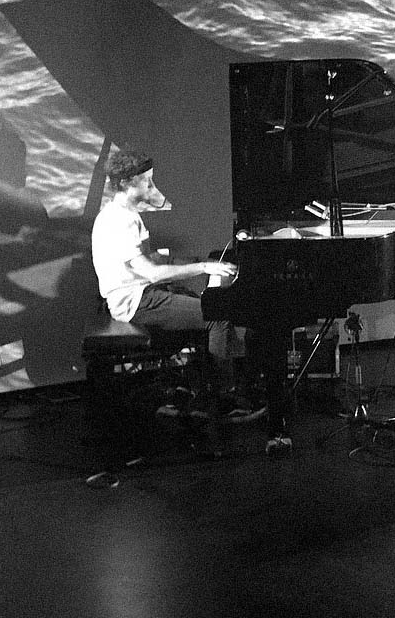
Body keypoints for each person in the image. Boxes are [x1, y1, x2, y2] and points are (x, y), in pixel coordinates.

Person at [90, 148, 273, 438]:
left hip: (142, 295)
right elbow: (150, 273)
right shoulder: (119, 220)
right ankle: (223, 400)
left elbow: (148, 262)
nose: (152, 188)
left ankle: (196, 393)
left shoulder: (120, 214)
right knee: (217, 314)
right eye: (146, 182)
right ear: (126, 184)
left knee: (205, 305)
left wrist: (190, 262)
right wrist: (201, 266)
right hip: (137, 302)